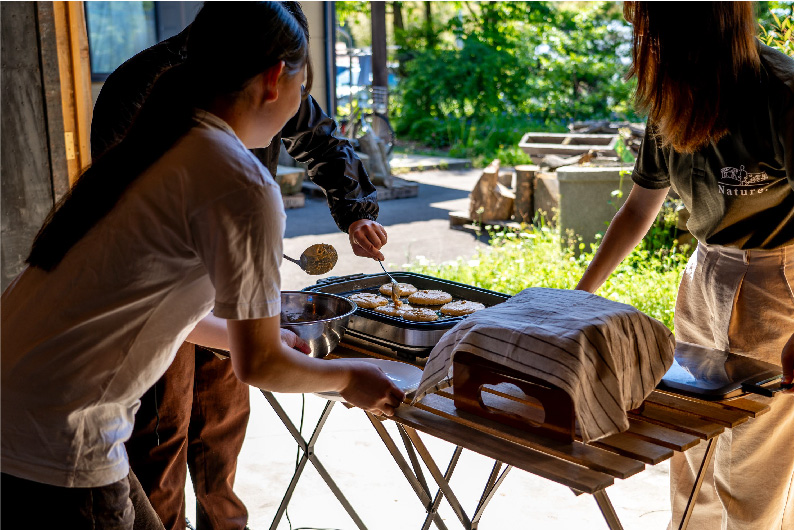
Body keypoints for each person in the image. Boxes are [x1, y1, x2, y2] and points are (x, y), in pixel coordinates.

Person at [0, 3, 404, 529]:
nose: (304, 102)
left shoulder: (165, 136)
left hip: (20, 401)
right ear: (275, 78)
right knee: (161, 441)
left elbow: (162, 309)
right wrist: (349, 377)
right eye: (305, 86)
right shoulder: (240, 182)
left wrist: (257, 335)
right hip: (56, 437)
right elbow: (257, 367)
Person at [575, 3, 793, 529]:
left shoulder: (782, 94)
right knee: (690, 439)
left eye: (649, 27)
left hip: (777, 284)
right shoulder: (675, 96)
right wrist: (580, 295)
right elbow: (638, 207)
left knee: (752, 464)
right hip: (704, 277)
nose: (641, 38)